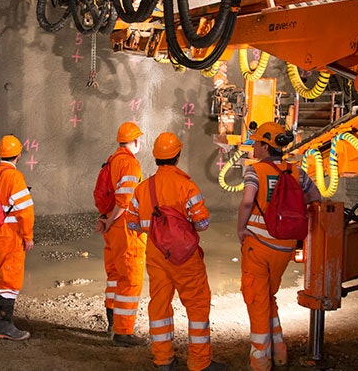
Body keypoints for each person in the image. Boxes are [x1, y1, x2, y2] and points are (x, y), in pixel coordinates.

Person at [127, 132, 227, 371]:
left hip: (156, 254)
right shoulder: (187, 186)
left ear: (156, 157)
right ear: (177, 156)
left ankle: (163, 360)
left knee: (159, 305)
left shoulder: (143, 188)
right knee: (197, 304)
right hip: (185, 257)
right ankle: (200, 362)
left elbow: (132, 224)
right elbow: (202, 224)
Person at [236, 122, 321, 370]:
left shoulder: (256, 171)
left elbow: (247, 202)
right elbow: (315, 198)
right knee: (268, 297)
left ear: (265, 146)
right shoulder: (296, 172)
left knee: (256, 299)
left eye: (257, 143)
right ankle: (280, 353)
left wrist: (241, 230)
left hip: (259, 246)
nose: (254, 147)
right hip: (285, 247)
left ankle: (261, 361)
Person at [95, 121, 148, 346]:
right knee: (131, 277)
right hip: (125, 227)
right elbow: (124, 201)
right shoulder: (129, 164)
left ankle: (112, 322)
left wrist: (106, 220)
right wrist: (110, 221)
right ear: (135, 141)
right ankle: (123, 332)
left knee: (115, 274)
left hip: (113, 228)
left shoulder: (113, 160)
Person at [0, 134, 34, 341]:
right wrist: (27, 236)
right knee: (9, 281)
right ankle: (5, 326)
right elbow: (25, 211)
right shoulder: (14, 177)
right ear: (18, 155)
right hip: (8, 237)